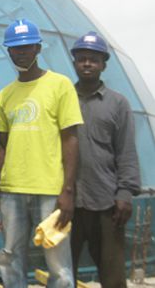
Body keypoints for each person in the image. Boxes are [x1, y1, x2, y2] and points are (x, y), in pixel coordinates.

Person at [0, 19, 83, 288]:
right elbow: (1, 146)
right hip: (11, 191)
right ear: (8, 52)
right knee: (8, 257)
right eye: (15, 48)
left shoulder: (60, 85)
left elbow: (71, 139)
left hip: (50, 189)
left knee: (58, 264)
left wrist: (68, 190)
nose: (21, 52)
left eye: (27, 47)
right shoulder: (5, 95)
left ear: (38, 48)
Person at [70, 31, 141, 287]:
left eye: (93, 59)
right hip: (68, 202)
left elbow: (126, 151)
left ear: (103, 65)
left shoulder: (118, 104)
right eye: (82, 59)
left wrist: (125, 194)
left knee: (112, 275)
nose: (87, 64)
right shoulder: (63, 99)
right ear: (75, 62)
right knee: (63, 272)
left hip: (107, 202)